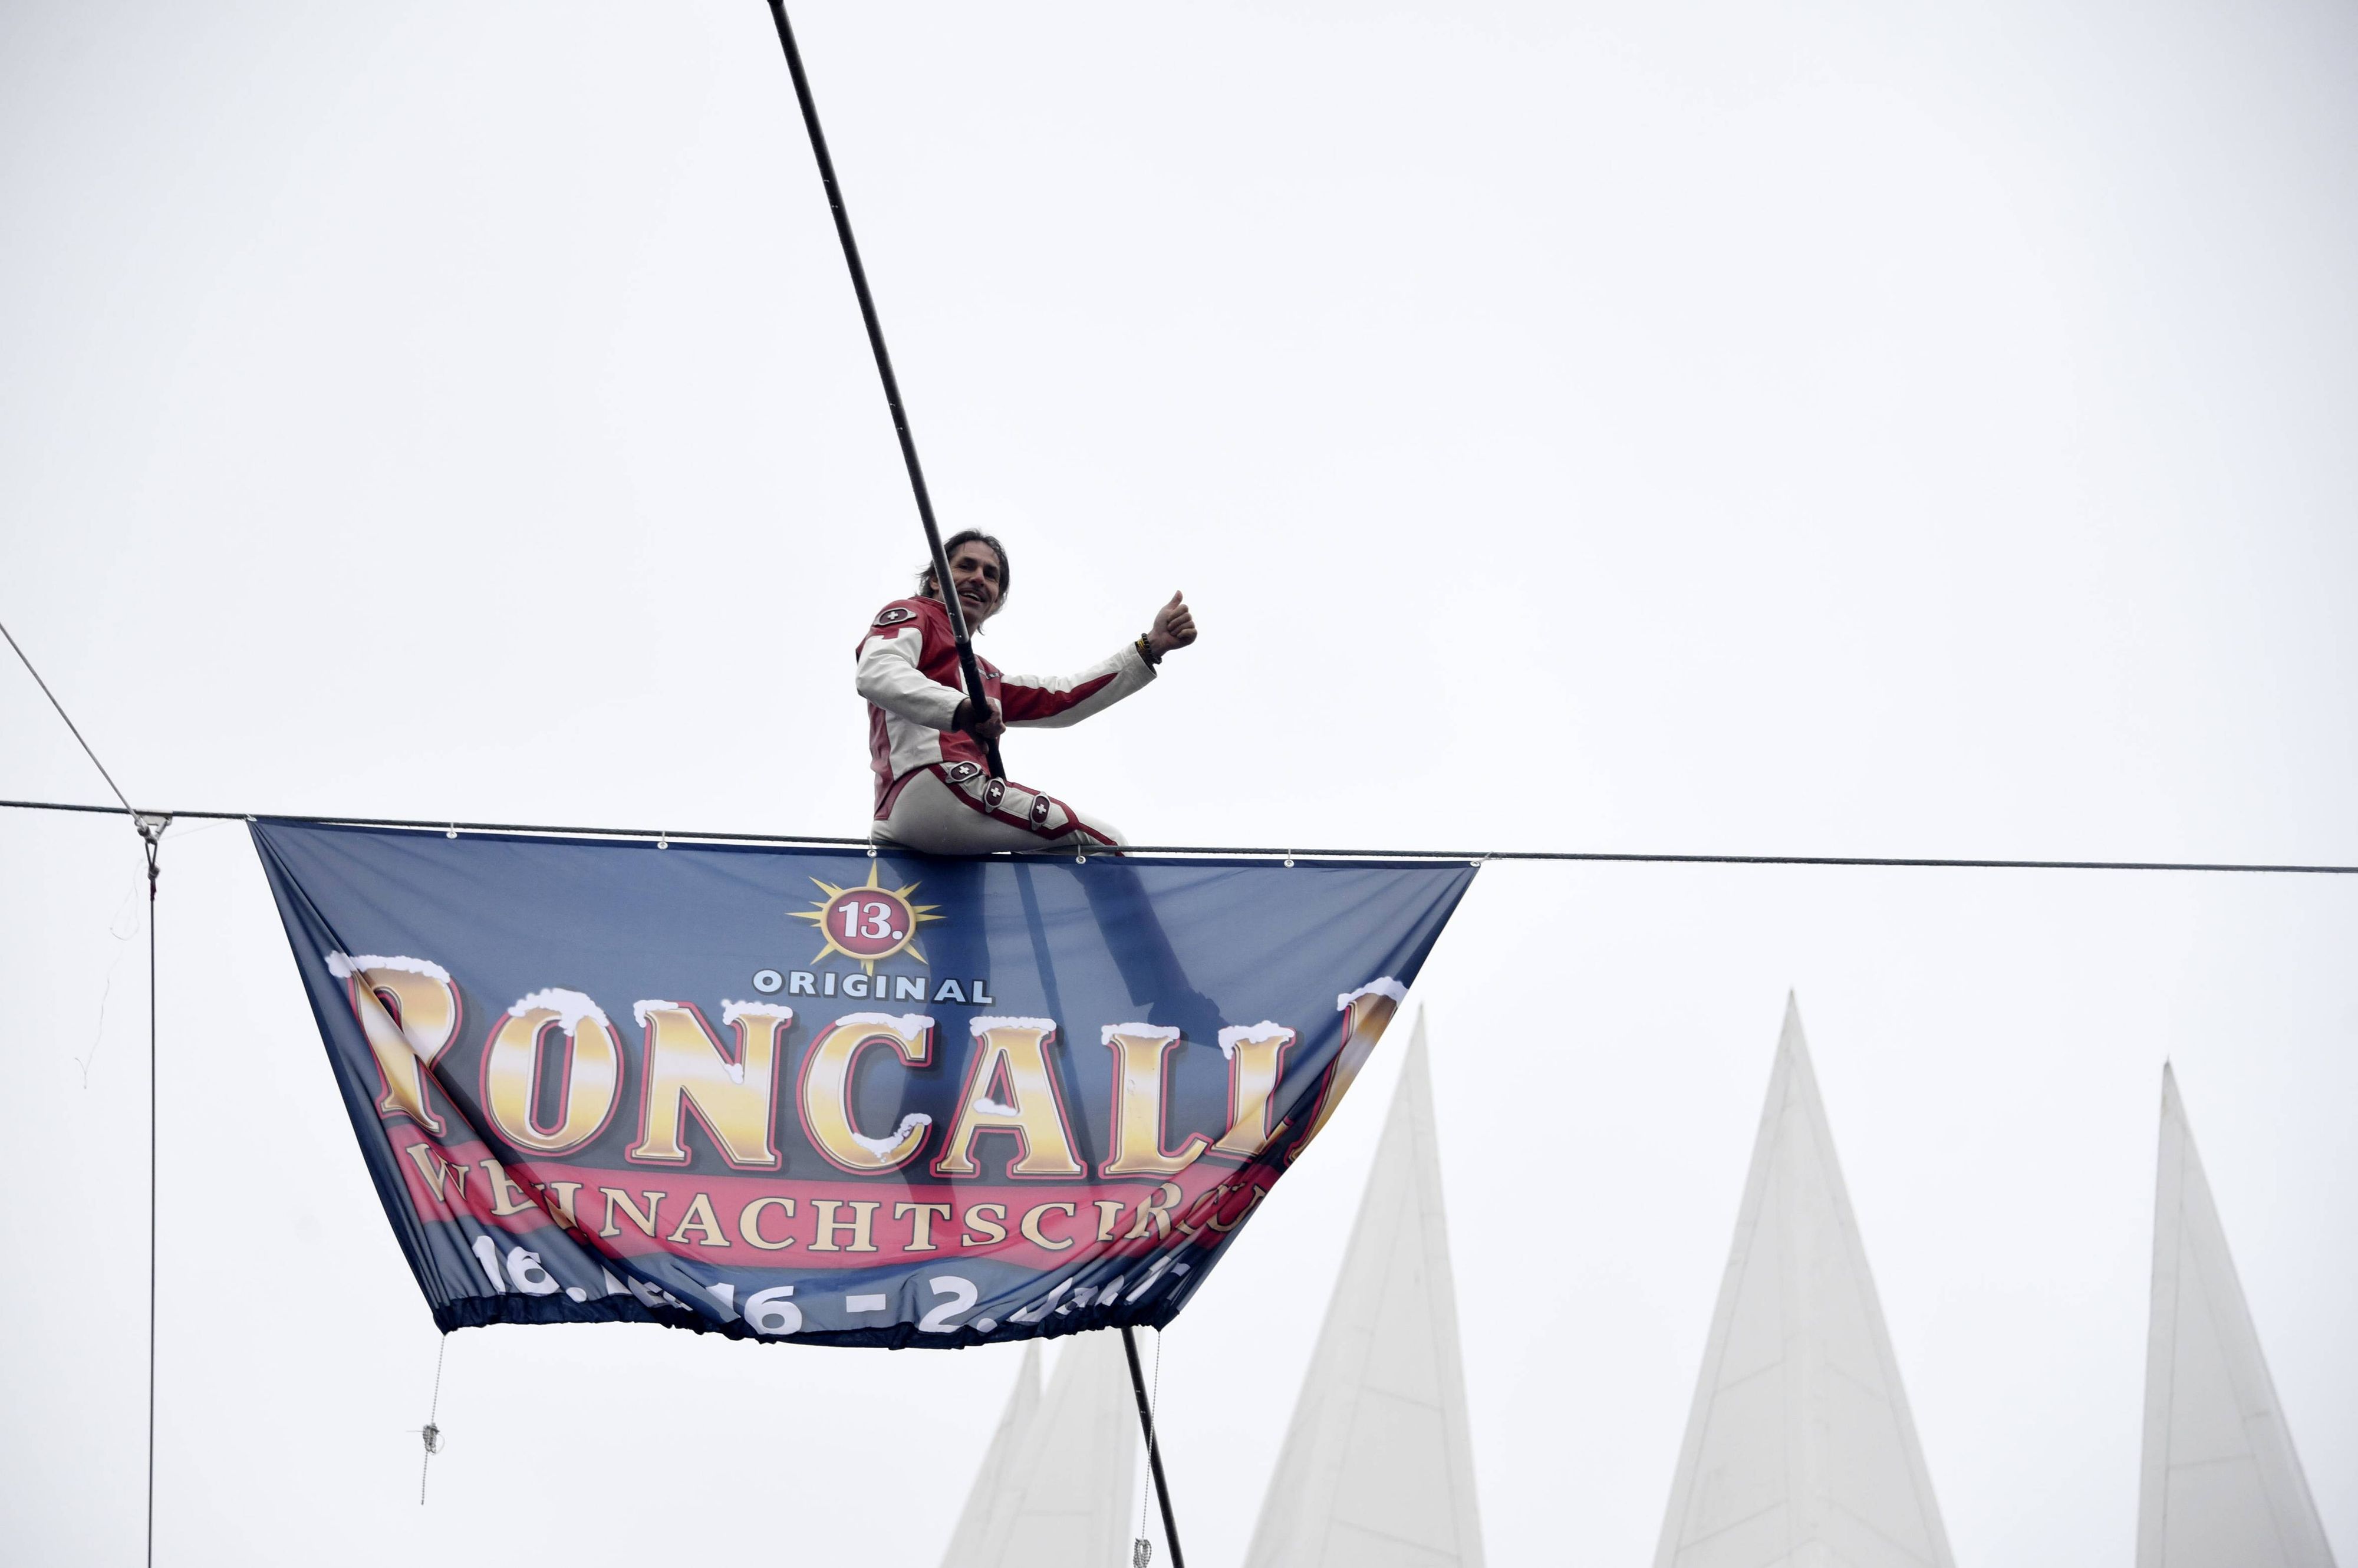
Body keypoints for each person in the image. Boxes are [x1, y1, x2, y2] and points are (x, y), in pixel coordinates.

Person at [855, 529, 1197, 854]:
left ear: (996, 600)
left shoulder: (984, 674)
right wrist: (962, 709)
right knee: (1106, 844)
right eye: (965, 566)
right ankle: (1135, 920)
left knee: (1028, 876)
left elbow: (1062, 698)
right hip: (936, 785)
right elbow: (878, 672)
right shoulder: (916, 615)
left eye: (991, 575)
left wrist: (1150, 647)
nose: (978, 578)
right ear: (935, 579)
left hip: (913, 812)